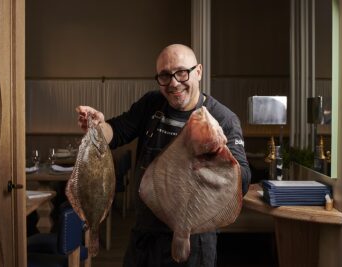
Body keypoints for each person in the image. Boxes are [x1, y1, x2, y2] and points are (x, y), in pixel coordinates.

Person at [77, 44, 251, 267]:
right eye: (165, 75)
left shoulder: (223, 118)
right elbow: (117, 131)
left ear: (198, 71)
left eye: (181, 72)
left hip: (195, 237)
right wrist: (96, 126)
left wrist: (219, 156)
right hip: (146, 232)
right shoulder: (152, 104)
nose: (174, 83)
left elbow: (243, 179)